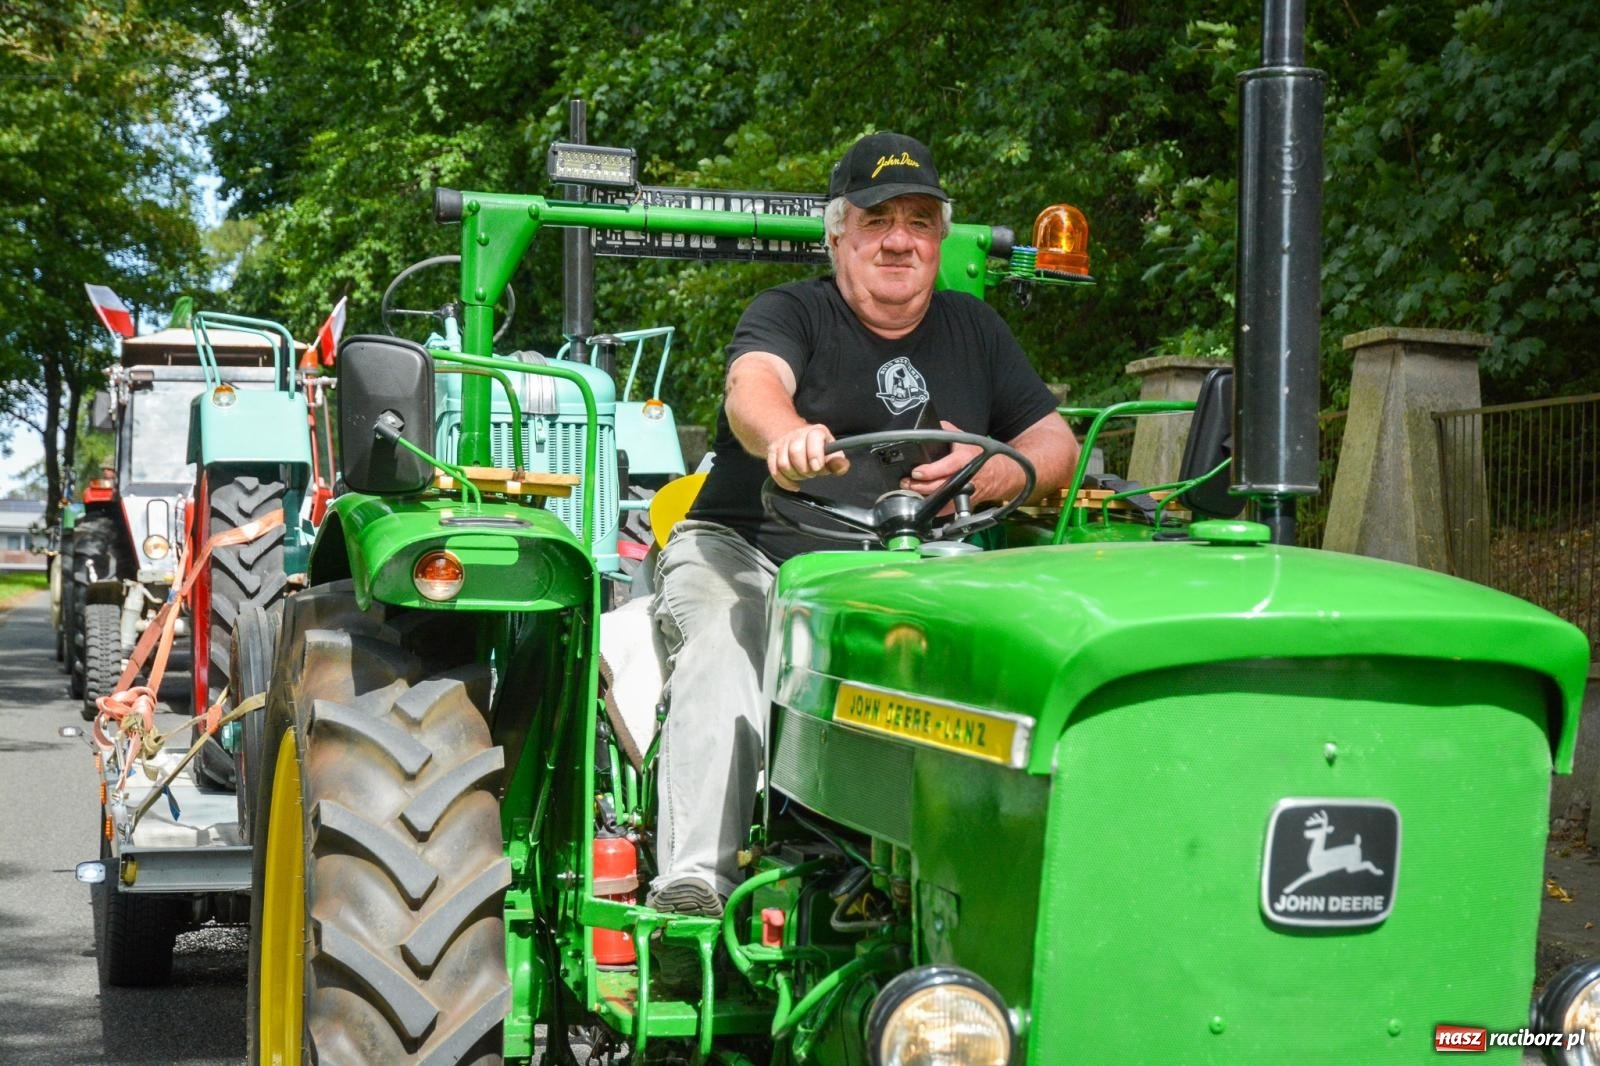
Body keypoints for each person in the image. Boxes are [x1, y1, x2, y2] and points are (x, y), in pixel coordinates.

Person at [646, 131, 1080, 925]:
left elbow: (1055, 442)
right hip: (754, 552)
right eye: (877, 220)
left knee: (1009, 656)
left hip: (909, 568)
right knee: (724, 641)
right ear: (837, 233)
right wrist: (785, 435)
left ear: (940, 237)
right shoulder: (792, 312)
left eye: (919, 221)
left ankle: (998, 894)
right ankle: (694, 890)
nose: (899, 240)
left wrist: (997, 472)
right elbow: (752, 387)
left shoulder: (976, 329)